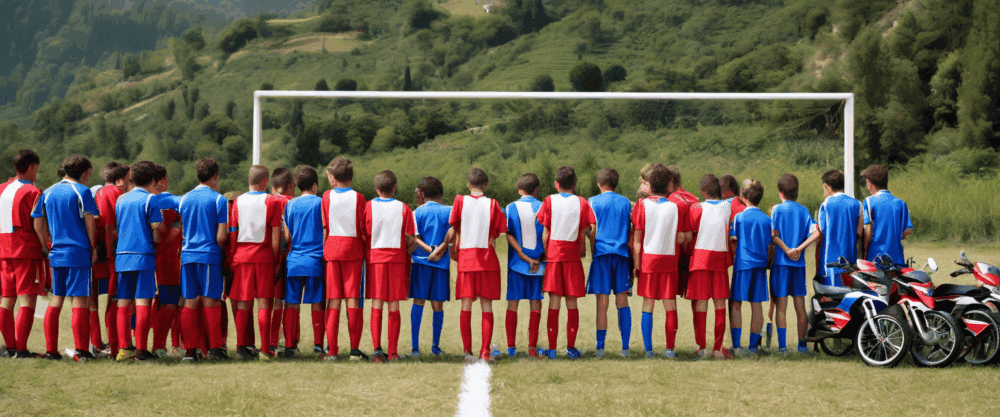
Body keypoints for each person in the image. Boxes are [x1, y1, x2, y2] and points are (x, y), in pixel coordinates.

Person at [32, 155, 101, 362]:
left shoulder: (47, 192)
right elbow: (90, 222)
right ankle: (82, 350)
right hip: (78, 252)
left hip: (56, 253)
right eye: (89, 173)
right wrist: (93, 247)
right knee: (79, 300)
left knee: (56, 299)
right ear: (85, 172)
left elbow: (37, 222)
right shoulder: (82, 191)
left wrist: (45, 244)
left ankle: (51, 351)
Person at [434, 168, 506, 362]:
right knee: (487, 306)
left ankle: (467, 352)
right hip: (487, 261)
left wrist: (447, 246)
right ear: (486, 185)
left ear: (468, 185)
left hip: (466, 260)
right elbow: (497, 233)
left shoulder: (459, 201)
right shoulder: (493, 204)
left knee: (466, 305)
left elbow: (454, 226)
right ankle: (485, 353)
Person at [536, 166, 595, 360]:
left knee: (554, 301)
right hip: (572, 256)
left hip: (554, 255)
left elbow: (545, 234)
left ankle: (552, 350)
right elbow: (587, 228)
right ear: (575, 183)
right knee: (572, 302)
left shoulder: (549, 200)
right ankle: (571, 348)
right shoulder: (582, 202)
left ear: (556, 183)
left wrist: (548, 253)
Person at [632, 163, 690, 358]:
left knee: (648, 305)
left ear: (650, 184)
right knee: (670, 305)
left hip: (648, 260)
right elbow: (680, 238)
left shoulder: (641, 205)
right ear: (669, 185)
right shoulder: (674, 207)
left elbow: (637, 239)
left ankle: (649, 350)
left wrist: (637, 264)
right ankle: (669, 349)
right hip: (669, 260)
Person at [177, 158, 229, 361]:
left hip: (187, 255)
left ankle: (190, 351)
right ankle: (214, 349)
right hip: (208, 255)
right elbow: (221, 236)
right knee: (211, 300)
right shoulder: (219, 200)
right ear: (215, 176)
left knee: (190, 302)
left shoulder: (184, 198)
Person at [229, 165, 282, 359]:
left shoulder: (237, 201)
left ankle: (241, 347)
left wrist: (233, 258)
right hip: (263, 257)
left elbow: (233, 233)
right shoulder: (272, 201)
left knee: (243, 303)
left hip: (241, 257)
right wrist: (275, 261)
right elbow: (275, 240)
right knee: (264, 303)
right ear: (265, 182)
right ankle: (265, 349)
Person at [113, 161, 163, 361]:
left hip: (122, 256)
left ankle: (124, 349)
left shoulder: (121, 199)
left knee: (123, 303)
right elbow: (155, 229)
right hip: (143, 256)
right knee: (143, 302)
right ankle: (141, 349)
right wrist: (157, 243)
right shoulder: (151, 199)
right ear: (153, 180)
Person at [364, 170, 415, 362]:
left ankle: (377, 350)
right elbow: (411, 239)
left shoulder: (368, 206)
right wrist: (407, 252)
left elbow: (364, 233)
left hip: (376, 259)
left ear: (376, 189)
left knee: (377, 302)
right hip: (396, 259)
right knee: (394, 304)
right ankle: (393, 352)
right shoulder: (404, 208)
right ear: (395, 187)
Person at [321, 157, 368, 361]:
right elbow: (362, 226)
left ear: (334, 176)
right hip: (353, 249)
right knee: (353, 299)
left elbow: (325, 227)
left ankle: (332, 351)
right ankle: (354, 350)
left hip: (332, 249)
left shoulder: (326, 196)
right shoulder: (359, 197)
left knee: (333, 300)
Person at [0, 150, 44, 358]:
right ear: (33, 166)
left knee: (7, 299)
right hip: (25, 249)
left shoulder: (1, 188)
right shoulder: (33, 191)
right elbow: (38, 225)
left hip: (3, 250)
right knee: (27, 300)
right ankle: (21, 349)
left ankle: (10, 347)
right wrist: (45, 246)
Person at [585, 168, 632, 358]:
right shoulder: (626, 202)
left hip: (602, 255)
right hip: (622, 255)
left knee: (602, 303)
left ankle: (600, 348)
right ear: (616, 183)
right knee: (622, 301)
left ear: (599, 184)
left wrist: (592, 248)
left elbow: (592, 230)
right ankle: (625, 348)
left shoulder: (592, 202)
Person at [769, 174, 818, 354]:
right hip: (799, 265)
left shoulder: (776, 210)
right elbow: (817, 231)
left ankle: (782, 347)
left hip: (781, 264)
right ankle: (802, 346)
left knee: (781, 307)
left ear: (780, 192)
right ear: (797, 192)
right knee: (800, 306)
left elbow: (774, 235)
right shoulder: (804, 211)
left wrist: (788, 250)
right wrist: (800, 248)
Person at [686, 173, 733, 359]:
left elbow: (689, 233)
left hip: (700, 258)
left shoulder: (696, 208)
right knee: (720, 304)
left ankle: (702, 348)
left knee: (701, 303)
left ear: (702, 192)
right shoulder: (727, 207)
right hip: (719, 258)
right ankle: (717, 349)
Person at [282, 166, 327, 358]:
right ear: (315, 185)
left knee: (291, 303)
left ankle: (290, 345)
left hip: (294, 260)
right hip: (315, 260)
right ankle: (318, 345)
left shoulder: (290, 205)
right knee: (317, 302)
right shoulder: (321, 203)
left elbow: (287, 235)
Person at [503, 173, 546, 358]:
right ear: (537, 190)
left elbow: (507, 233)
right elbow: (548, 234)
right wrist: (541, 259)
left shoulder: (510, 207)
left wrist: (521, 254)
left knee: (513, 303)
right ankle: (531, 348)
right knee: (535, 303)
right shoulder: (544, 206)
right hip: (539, 265)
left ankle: (511, 348)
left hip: (516, 265)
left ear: (519, 190)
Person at [409, 176, 452, 357]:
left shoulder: (417, 212)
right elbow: (452, 233)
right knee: (437, 305)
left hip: (421, 263)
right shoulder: (449, 211)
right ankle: (436, 347)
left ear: (422, 194)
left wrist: (429, 250)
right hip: (441, 264)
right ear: (441, 194)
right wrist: (439, 250)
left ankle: (415, 348)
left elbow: (414, 237)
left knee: (418, 302)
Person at [729, 179, 771, 354]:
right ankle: (753, 348)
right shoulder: (767, 220)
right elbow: (770, 245)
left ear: (743, 196)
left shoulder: (738, 217)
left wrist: (736, 258)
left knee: (735, 303)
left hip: (743, 264)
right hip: (760, 265)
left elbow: (733, 241)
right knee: (756, 304)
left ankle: (736, 346)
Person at [93, 162, 130, 357]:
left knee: (96, 300)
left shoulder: (98, 191)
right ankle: (117, 347)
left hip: (100, 251)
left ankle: (98, 344)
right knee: (116, 300)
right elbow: (111, 225)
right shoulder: (114, 193)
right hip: (113, 253)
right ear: (121, 179)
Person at [152, 165, 183, 357]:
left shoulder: (142, 200)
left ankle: (166, 345)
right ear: (164, 180)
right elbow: (172, 232)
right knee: (172, 304)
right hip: (171, 259)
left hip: (155, 259)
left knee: (162, 303)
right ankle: (162, 346)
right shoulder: (173, 201)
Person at [816, 170, 862, 286]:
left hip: (831, 261)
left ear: (826, 186)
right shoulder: (857, 204)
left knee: (834, 293)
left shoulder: (826, 204)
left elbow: (822, 229)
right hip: (850, 260)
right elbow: (860, 232)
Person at [860, 164, 913, 265]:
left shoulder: (869, 202)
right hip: (897, 259)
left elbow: (868, 231)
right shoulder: (900, 203)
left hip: (876, 258)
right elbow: (908, 230)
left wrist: (864, 251)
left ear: (869, 183)